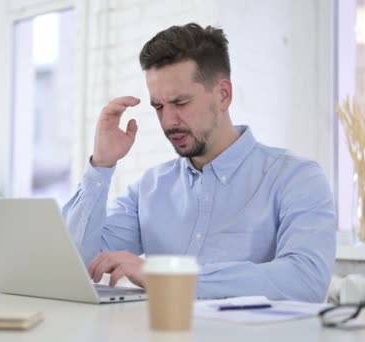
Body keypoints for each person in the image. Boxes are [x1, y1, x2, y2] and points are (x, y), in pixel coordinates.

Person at [62, 23, 336, 302]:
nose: (168, 122)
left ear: (223, 95)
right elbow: (72, 265)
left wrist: (168, 279)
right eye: (158, 106)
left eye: (180, 103)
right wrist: (101, 165)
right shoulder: (149, 189)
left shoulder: (296, 178)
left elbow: (306, 280)